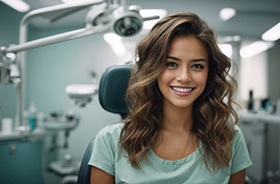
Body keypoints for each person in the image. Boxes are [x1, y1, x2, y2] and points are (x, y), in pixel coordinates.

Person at [89, 12, 252, 184]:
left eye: (197, 66)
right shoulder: (111, 140)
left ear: (209, 73)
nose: (184, 77)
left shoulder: (228, 138)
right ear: (153, 69)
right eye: (171, 64)